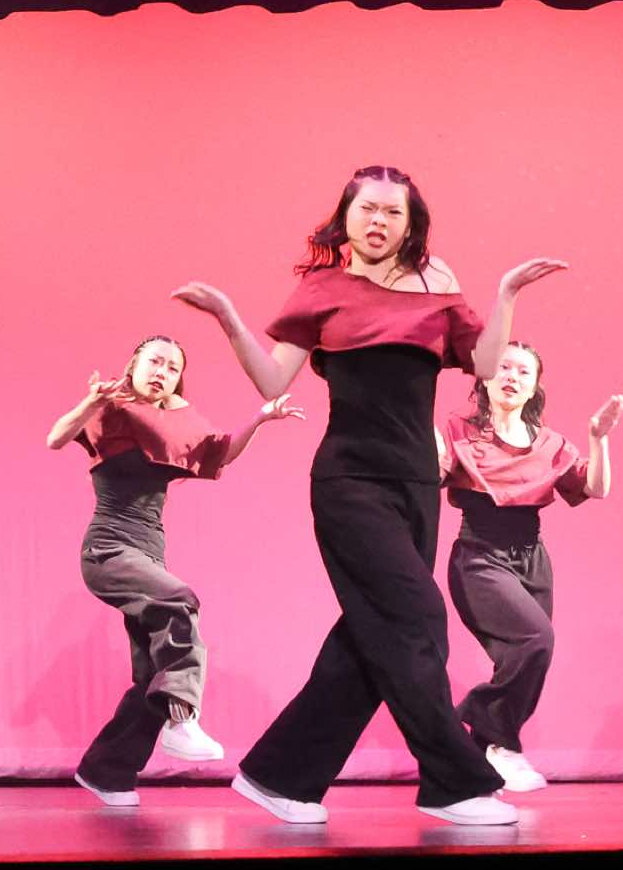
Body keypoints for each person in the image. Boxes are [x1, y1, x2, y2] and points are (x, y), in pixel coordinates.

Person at [172, 164, 565, 825]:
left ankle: (280, 776)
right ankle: (453, 783)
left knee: (369, 635)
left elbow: (484, 364)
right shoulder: (322, 288)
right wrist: (228, 317)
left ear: (410, 225)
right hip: (350, 483)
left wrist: (506, 294)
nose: (378, 221)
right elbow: (272, 379)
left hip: (417, 486)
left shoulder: (435, 283)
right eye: (367, 209)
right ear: (346, 217)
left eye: (392, 212)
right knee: (418, 620)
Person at [45, 335, 303, 807]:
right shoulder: (110, 407)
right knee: (180, 600)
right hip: (107, 549)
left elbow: (221, 452)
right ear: (134, 364)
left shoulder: (175, 422)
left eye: (172, 367)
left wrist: (261, 419)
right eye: (155, 361)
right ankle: (182, 717)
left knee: (152, 674)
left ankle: (106, 772)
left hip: (149, 552)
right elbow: (56, 437)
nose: (162, 371)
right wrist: (90, 402)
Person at [437, 341, 623, 792]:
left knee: (522, 658)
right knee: (536, 640)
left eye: (523, 372)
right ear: (485, 379)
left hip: (532, 559)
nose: (511, 377)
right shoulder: (459, 430)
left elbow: (595, 488)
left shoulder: (549, 443)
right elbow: (433, 474)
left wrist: (598, 438)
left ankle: (476, 764)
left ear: (535, 386)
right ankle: (499, 742)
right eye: (503, 368)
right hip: (479, 555)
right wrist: (430, 448)